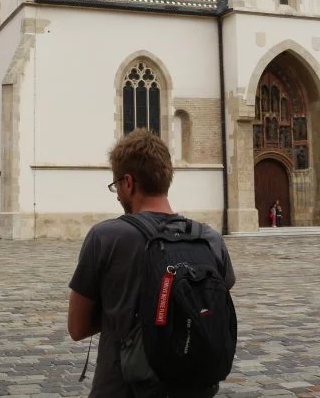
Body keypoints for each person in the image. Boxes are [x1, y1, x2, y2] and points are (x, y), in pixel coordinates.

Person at [67, 128, 235, 398]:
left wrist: (123, 309)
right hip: (193, 386)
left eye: (116, 186)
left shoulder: (105, 237)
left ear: (129, 183)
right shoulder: (209, 239)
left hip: (122, 386)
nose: (117, 193)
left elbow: (77, 327)